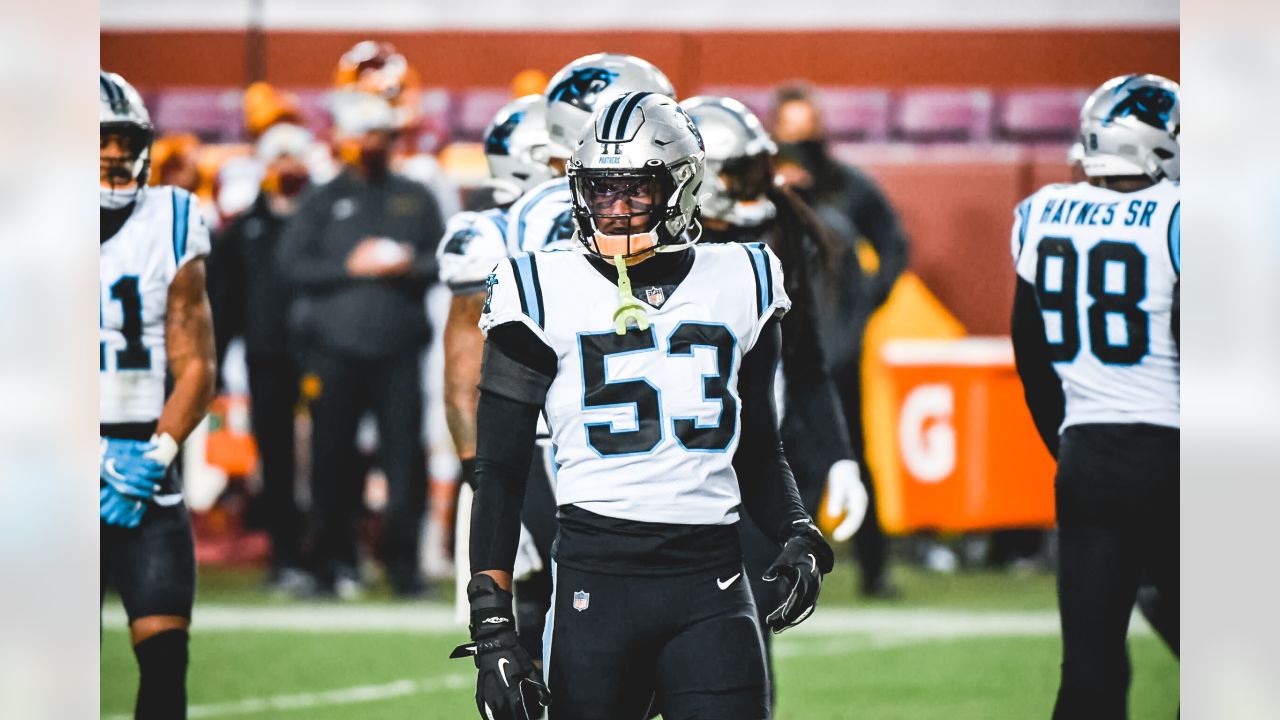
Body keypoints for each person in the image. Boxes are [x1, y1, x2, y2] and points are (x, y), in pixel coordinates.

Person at [451, 92, 833, 720]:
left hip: (712, 585)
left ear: (681, 189)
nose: (616, 210)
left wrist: (796, 529)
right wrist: (491, 620)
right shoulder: (537, 285)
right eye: (602, 192)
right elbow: (501, 470)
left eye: (636, 192)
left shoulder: (744, 276)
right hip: (592, 586)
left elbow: (759, 447)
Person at [441, 52, 679, 668]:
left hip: (621, 451)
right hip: (566, 451)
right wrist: (486, 482)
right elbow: (468, 373)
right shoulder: (515, 228)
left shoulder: (521, 222)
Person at [682, 94, 867, 706]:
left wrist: (839, 456)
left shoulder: (774, 245)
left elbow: (808, 366)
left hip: (756, 474)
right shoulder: (635, 260)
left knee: (746, 652)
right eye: (741, 171)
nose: (760, 185)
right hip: (665, 481)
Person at [1009, 73, 1180, 718]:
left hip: (1085, 455)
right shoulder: (1183, 217)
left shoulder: (1040, 212)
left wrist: (1068, 440)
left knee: (1088, 666)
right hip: (1174, 450)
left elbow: (1030, 352)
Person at [277, 91, 445, 598]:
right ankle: (328, 563)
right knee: (330, 462)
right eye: (363, 134)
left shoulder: (416, 196)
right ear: (343, 139)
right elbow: (290, 264)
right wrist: (350, 267)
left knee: (404, 465)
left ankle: (405, 569)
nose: (371, 144)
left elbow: (446, 259)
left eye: (380, 135)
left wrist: (404, 265)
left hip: (397, 353)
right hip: (333, 352)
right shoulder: (322, 198)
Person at [99, 70, 216, 719]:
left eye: (126, 137)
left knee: (166, 658)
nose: (117, 152)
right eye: (101, 138)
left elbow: (196, 362)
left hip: (144, 461)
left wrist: (156, 452)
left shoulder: (169, 217)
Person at [771, 83, 909, 597]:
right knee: (777, 454)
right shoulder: (760, 198)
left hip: (836, 347)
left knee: (849, 448)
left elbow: (893, 244)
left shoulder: (848, 189)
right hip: (776, 348)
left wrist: (866, 302)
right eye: (792, 130)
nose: (800, 142)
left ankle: (874, 567)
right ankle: (779, 564)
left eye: (808, 129)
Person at [438, 94, 558, 657]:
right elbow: (464, 375)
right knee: (528, 621)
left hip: (606, 450)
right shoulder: (487, 236)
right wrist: (480, 481)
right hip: (531, 452)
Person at [206, 122, 315, 592]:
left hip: (322, 355)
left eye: (295, 156)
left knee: (331, 459)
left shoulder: (323, 217)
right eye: (279, 157)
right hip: (267, 356)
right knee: (274, 459)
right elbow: (225, 303)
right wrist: (212, 364)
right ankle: (284, 555)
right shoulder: (244, 229)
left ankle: (332, 554)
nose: (287, 167)